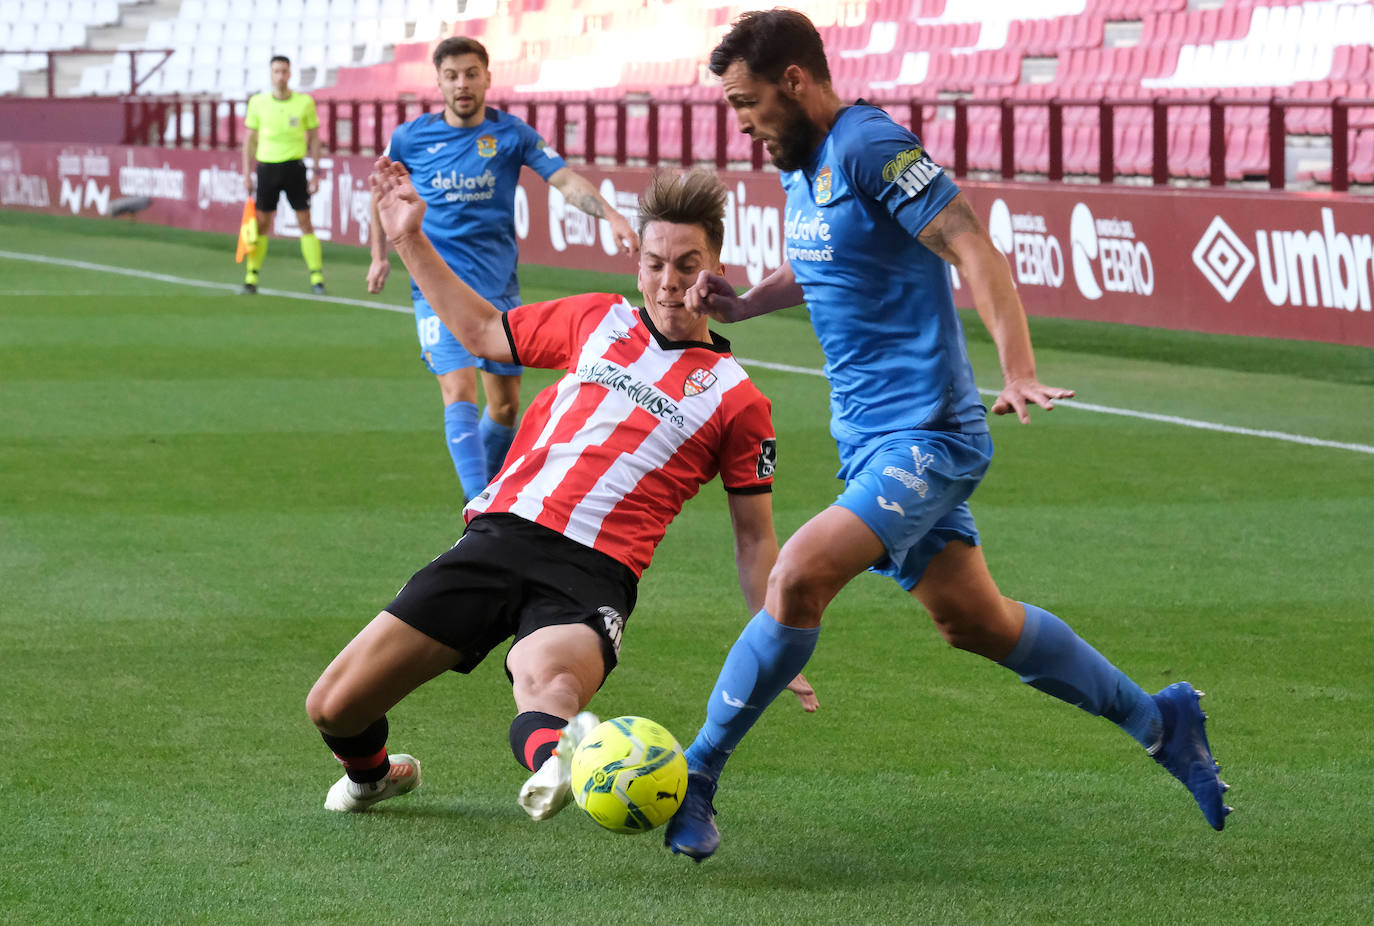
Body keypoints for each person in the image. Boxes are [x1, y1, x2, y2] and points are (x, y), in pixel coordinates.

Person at [663, 9, 1231, 862]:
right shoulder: (801, 165)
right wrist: (745, 303)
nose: (740, 122)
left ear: (793, 81)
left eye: (747, 102)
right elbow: (822, 265)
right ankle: (1162, 722)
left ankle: (698, 774)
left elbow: (971, 244)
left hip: (928, 435)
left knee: (798, 576)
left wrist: (1019, 367)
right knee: (975, 622)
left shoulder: (867, 144)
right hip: (867, 439)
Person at [306, 162, 817, 820]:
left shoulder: (739, 400)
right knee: (334, 706)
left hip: (591, 572)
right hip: (498, 536)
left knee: (545, 678)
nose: (669, 282)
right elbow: (485, 334)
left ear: (715, 266)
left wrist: (774, 639)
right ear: (637, 264)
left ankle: (563, 755)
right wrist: (407, 238)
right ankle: (374, 776)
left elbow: (755, 539)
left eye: (688, 265)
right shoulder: (596, 320)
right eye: (656, 262)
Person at [366, 36, 640, 505]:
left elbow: (565, 180)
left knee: (506, 406)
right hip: (435, 286)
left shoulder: (513, 134)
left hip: (497, 289)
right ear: (439, 82)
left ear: (488, 77)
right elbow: (382, 195)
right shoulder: (410, 137)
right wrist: (379, 254)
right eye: (452, 76)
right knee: (457, 388)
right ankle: (478, 505)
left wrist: (611, 215)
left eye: (471, 73)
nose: (462, 84)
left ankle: (491, 496)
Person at [239, 55, 325, 295]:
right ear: (270, 73)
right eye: (276, 71)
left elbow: (315, 138)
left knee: (304, 220)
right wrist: (247, 173)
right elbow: (249, 140)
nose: (280, 76)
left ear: (290, 74)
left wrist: (316, 172)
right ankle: (251, 275)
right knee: (263, 223)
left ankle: (316, 276)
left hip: (295, 168)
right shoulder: (258, 102)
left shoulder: (304, 103)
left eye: (284, 71)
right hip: (267, 168)